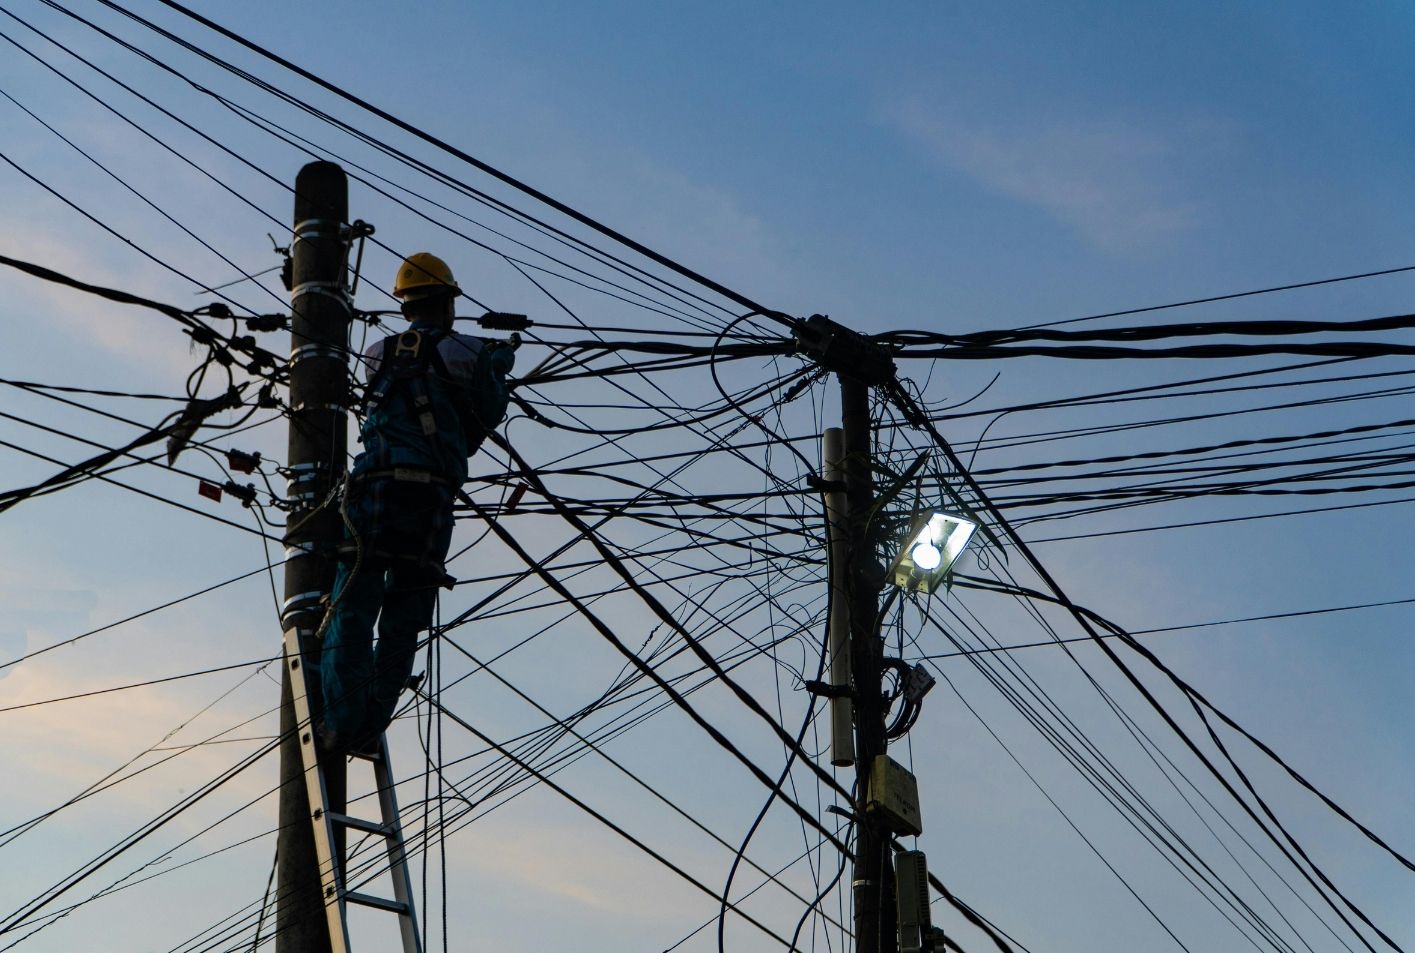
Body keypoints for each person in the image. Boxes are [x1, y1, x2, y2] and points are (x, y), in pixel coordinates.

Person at [318, 252, 514, 754]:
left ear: (404, 305)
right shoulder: (468, 352)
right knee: (405, 617)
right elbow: (481, 422)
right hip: (429, 502)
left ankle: (340, 719)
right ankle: (368, 724)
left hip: (373, 491)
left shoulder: (377, 352)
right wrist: (496, 367)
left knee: (352, 606)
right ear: (449, 301)